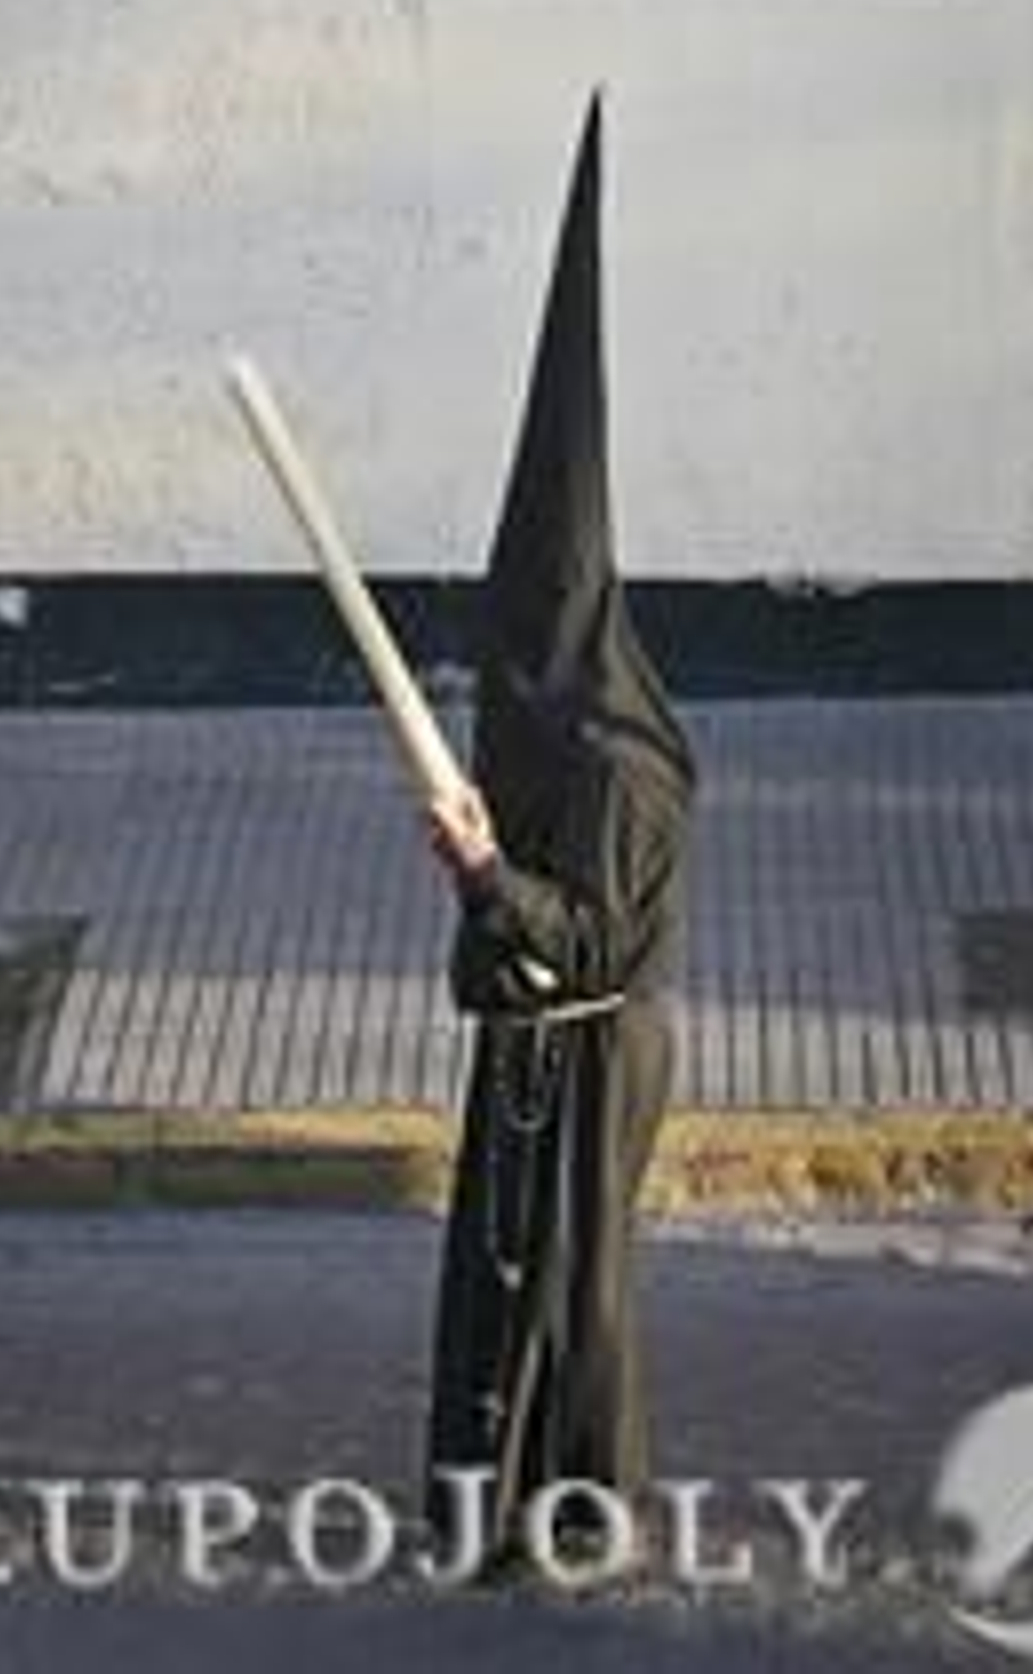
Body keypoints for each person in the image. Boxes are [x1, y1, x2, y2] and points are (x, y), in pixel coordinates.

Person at [423, 102, 695, 1574]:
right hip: (551, 1041)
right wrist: (480, 882)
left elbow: (583, 934)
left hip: (590, 1050)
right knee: (519, 1275)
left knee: (573, 1287)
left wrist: (481, 869)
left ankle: (576, 1512)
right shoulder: (584, 737)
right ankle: (512, 1501)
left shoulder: (611, 767)